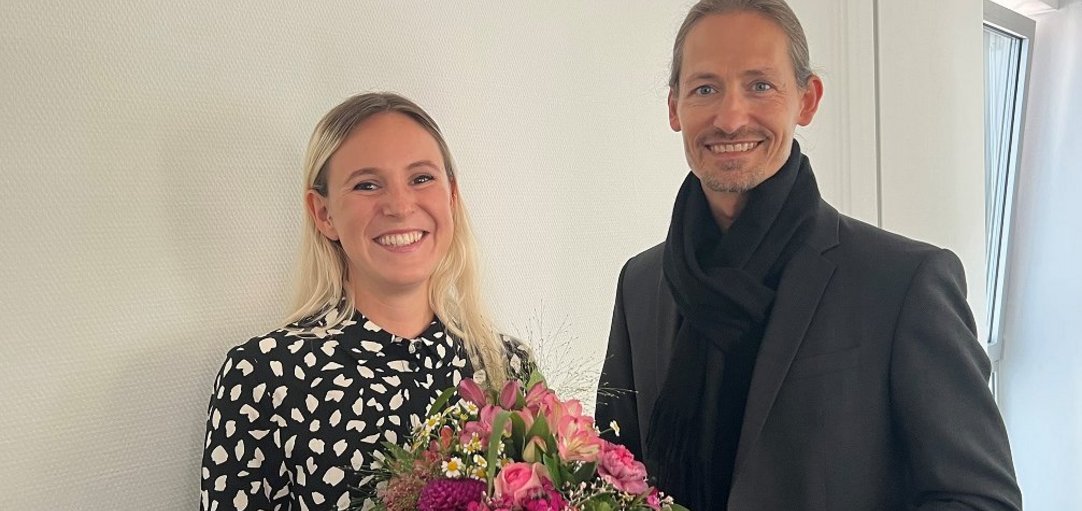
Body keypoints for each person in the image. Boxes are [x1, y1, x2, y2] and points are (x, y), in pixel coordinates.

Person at [595, 1, 1023, 509]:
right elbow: (611, 477)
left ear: (807, 99)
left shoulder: (904, 283)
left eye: (759, 85)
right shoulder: (642, 284)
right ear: (674, 108)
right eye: (705, 89)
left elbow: (980, 499)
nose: (731, 118)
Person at [200, 92, 530, 511]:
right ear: (323, 214)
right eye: (367, 185)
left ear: (451, 195)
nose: (399, 205)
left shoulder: (508, 365)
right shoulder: (266, 376)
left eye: (421, 178)